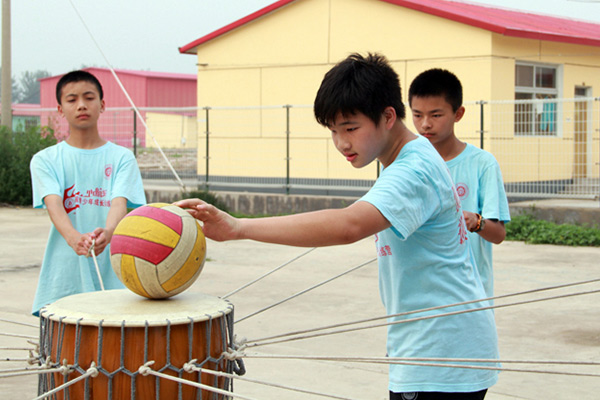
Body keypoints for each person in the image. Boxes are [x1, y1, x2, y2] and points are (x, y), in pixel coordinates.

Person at [176, 53, 499, 399]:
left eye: (350, 128)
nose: (342, 143)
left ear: (388, 117)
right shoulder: (405, 159)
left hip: (441, 355)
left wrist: (238, 228)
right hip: (436, 349)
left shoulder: (414, 168)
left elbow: (349, 225)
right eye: (333, 131)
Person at [30, 70, 146, 316]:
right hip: (65, 272)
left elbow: (119, 203)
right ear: (60, 109)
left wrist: (110, 231)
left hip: (113, 268)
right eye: (72, 100)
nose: (81, 105)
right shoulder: (45, 160)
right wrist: (74, 238)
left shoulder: (121, 158)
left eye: (89, 97)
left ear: (102, 105)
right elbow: (54, 205)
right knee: (63, 351)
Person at [408, 68, 511, 298]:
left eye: (436, 115)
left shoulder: (482, 164)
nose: (425, 124)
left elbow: (498, 234)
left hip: (469, 296)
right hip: (419, 295)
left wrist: (475, 222)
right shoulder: (403, 165)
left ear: (458, 113)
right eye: (417, 115)